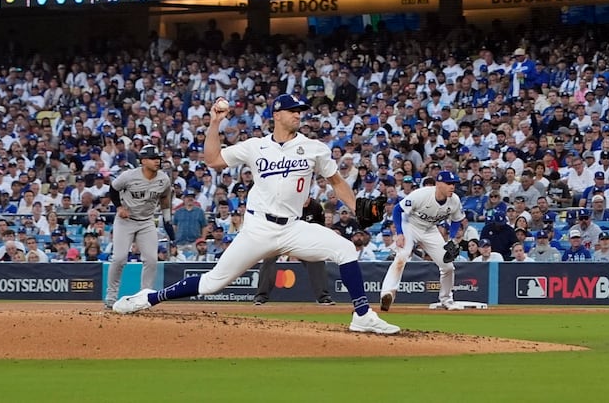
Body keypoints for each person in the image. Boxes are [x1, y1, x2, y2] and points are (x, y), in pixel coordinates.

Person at [112, 94, 399, 334]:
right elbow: (213, 160)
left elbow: (336, 182)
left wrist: (356, 207)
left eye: (300, 111)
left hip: (294, 228)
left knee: (345, 248)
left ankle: (362, 315)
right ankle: (148, 298)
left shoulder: (315, 149)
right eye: (293, 111)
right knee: (212, 284)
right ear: (277, 114)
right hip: (258, 228)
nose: (299, 115)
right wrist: (215, 122)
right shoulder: (255, 146)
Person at [378, 169, 466, 312]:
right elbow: (396, 210)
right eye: (449, 183)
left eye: (454, 184)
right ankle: (387, 293)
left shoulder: (454, 200)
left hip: (430, 229)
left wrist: (451, 238)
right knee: (402, 256)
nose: (452, 187)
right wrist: (400, 234)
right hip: (410, 225)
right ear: (438, 184)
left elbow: (457, 220)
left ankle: (447, 300)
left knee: (448, 266)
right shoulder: (422, 194)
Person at [105, 144, 173, 308]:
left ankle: (144, 299)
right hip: (125, 221)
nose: (157, 161)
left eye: (158, 158)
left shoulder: (163, 179)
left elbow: (165, 198)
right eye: (153, 158)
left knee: (151, 259)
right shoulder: (129, 176)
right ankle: (111, 298)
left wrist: (167, 219)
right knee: (119, 258)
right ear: (143, 161)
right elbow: (113, 190)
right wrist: (119, 207)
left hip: (146, 222)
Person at [255, 194, 334, 306]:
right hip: (283, 238)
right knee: (268, 259)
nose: (305, 201)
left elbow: (320, 227)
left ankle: (323, 297)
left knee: (317, 259)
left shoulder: (315, 207)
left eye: (307, 198)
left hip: (303, 241)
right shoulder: (288, 205)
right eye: (303, 198)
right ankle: (261, 297)